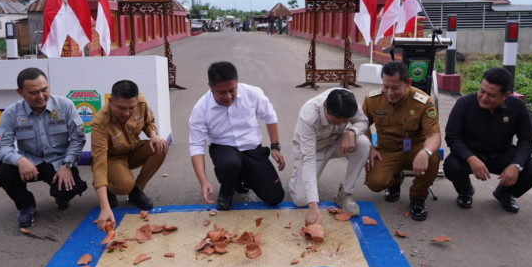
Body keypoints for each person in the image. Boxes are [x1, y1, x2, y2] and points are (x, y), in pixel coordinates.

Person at [0, 67, 88, 227]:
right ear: (20, 92)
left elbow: (78, 138)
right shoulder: (10, 113)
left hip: (59, 163)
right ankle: (26, 204)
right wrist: (20, 160)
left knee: (68, 190)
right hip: (30, 163)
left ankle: (61, 196)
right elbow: (1, 147)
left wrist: (67, 165)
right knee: (3, 173)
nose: (41, 96)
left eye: (44, 90)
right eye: (33, 93)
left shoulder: (65, 105)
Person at [444, 67, 532, 213]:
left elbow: (527, 141)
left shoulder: (517, 107)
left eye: (491, 95)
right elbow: (452, 137)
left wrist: (516, 165)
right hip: (471, 153)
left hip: (502, 153)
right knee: (451, 166)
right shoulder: (464, 103)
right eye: (482, 91)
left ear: (505, 95)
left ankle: (504, 192)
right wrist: (470, 158)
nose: (484, 98)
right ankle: (465, 190)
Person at [189, 61, 285, 210]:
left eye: (232, 90)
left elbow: (270, 117)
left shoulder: (253, 94)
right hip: (224, 149)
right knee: (230, 164)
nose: (228, 97)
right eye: (221, 93)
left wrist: (275, 146)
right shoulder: (201, 108)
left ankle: (243, 178)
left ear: (237, 83)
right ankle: (227, 189)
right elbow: (196, 145)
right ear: (211, 87)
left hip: (252, 148)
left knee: (275, 197)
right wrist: (204, 181)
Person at [362, 61, 441, 221]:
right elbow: (361, 124)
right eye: (385, 86)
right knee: (375, 183)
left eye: (395, 88)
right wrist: (370, 147)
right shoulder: (372, 100)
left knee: (432, 159)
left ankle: (418, 198)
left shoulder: (423, 102)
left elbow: (434, 136)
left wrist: (425, 153)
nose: (389, 92)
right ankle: (395, 180)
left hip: (415, 149)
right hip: (387, 150)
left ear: (408, 83)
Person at [90, 80, 168, 230]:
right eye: (121, 108)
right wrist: (105, 208)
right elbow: (99, 165)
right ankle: (109, 188)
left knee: (161, 146)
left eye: (131, 108)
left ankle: (136, 191)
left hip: (133, 150)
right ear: (110, 101)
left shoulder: (141, 103)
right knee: (124, 185)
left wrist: (153, 135)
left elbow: (148, 122)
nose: (126, 113)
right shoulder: (100, 123)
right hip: (112, 159)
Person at [288, 88, 371, 226]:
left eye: (343, 122)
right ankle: (295, 178)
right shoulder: (309, 115)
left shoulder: (348, 102)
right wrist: (313, 207)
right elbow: (308, 160)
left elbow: (363, 121)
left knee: (363, 143)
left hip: (336, 143)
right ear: (325, 108)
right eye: (334, 121)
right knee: (301, 200)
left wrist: (351, 132)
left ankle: (345, 193)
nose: (339, 125)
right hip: (313, 151)